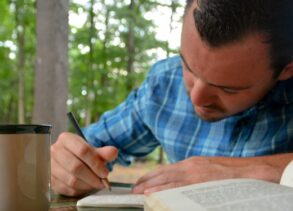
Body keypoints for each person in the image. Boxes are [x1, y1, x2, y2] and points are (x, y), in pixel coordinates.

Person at [51, 0, 293, 196]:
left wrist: (242, 172)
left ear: (287, 69)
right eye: (188, 67)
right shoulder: (164, 84)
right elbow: (91, 148)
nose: (196, 97)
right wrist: (65, 165)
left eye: (228, 89)